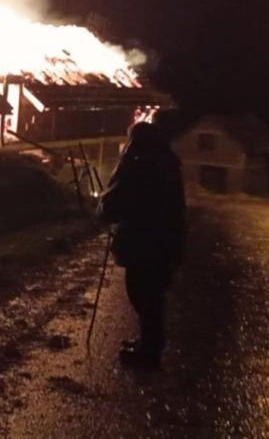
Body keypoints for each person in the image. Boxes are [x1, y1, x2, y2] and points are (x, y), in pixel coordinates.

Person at [98, 120, 186, 368]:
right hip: (165, 241)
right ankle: (148, 343)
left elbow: (119, 199)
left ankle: (149, 353)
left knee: (143, 294)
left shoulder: (141, 165)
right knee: (151, 294)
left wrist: (106, 210)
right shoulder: (167, 163)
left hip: (145, 241)